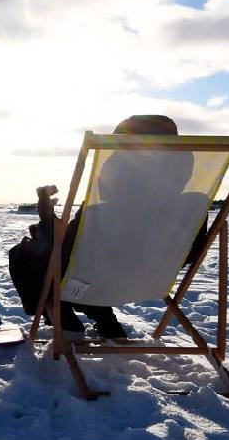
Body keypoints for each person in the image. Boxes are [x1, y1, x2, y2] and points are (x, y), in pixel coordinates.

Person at [11, 115, 208, 339]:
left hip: (99, 275)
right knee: (77, 259)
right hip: (154, 278)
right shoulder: (194, 206)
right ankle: (105, 320)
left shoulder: (100, 212)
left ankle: (62, 316)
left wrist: (46, 220)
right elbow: (192, 253)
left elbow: (67, 250)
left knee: (25, 254)